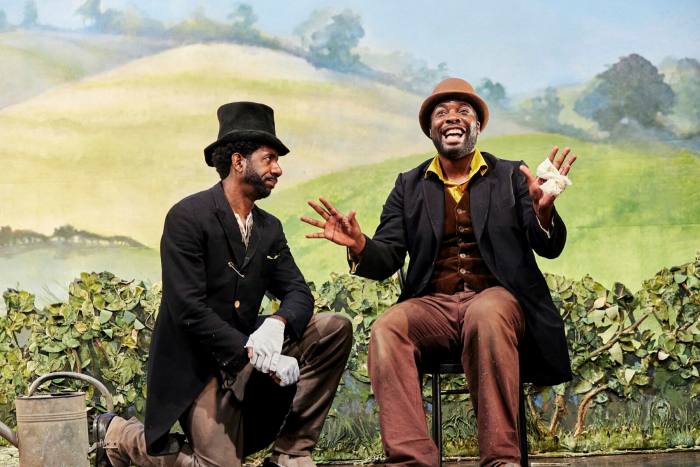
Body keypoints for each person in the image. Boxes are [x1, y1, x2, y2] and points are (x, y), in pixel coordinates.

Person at [301, 78, 576, 467]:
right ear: (430, 129)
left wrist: (544, 210)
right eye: (441, 113)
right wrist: (361, 245)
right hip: (434, 306)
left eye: (463, 111)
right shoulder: (409, 185)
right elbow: (388, 257)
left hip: (498, 303)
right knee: (388, 327)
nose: (452, 118)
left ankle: (501, 459)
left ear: (477, 126)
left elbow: (548, 245)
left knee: (487, 312)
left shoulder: (512, 175)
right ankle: (412, 460)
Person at [94, 101, 353, 467]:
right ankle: (119, 436)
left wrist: (276, 327)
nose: (278, 169)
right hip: (199, 367)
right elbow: (187, 308)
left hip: (249, 358)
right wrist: (250, 347)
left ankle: (291, 453)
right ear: (237, 161)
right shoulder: (188, 217)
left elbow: (297, 292)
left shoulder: (270, 228)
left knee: (333, 329)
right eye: (269, 158)